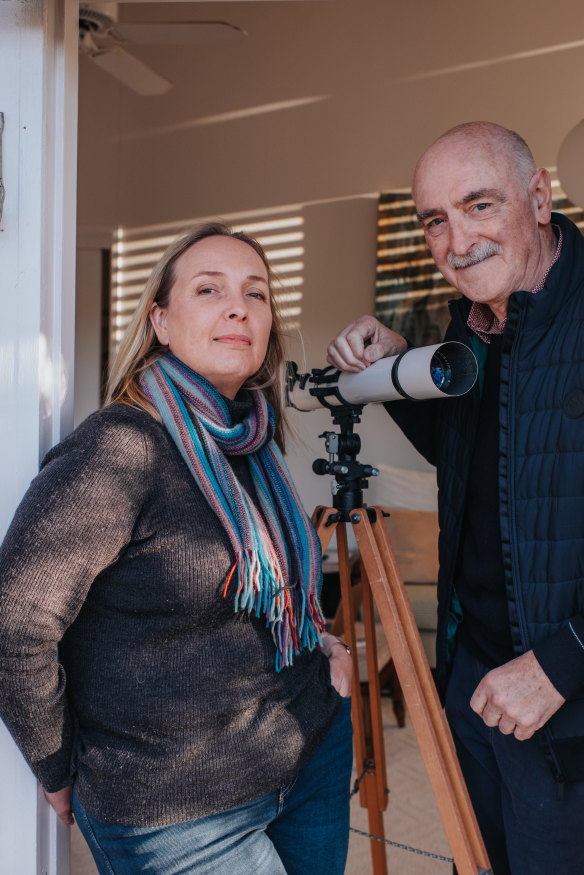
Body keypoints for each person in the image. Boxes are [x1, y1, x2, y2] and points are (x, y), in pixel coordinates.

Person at [0, 222, 354, 875]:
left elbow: (264, 598)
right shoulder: (120, 447)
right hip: (178, 810)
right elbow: (15, 621)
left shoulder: (250, 443)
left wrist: (319, 642)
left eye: (257, 293)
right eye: (209, 288)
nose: (238, 306)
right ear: (160, 321)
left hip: (309, 761)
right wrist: (54, 766)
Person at [327, 121, 584, 875]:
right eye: (435, 219)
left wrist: (563, 663)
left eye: (479, 205)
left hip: (563, 700)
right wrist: (398, 369)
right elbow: (472, 453)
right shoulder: (469, 328)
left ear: (538, 197)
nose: (457, 239)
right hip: (475, 675)